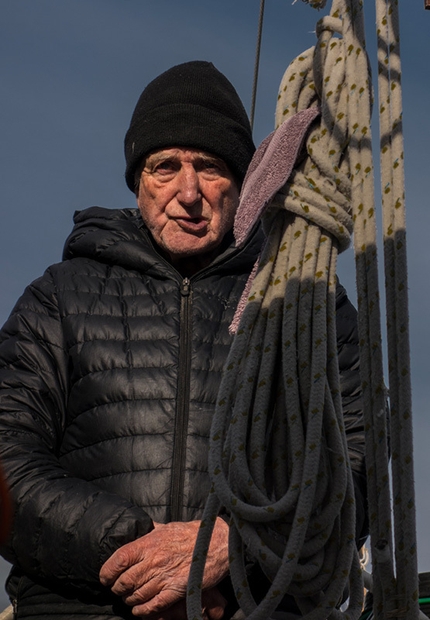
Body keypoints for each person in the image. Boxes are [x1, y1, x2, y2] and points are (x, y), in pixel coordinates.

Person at [0, 61, 368, 620]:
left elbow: (358, 467)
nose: (188, 191)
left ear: (245, 181)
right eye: (165, 166)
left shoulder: (307, 303)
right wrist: (135, 552)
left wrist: (231, 548)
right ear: (138, 181)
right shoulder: (60, 299)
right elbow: (7, 460)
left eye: (211, 168)